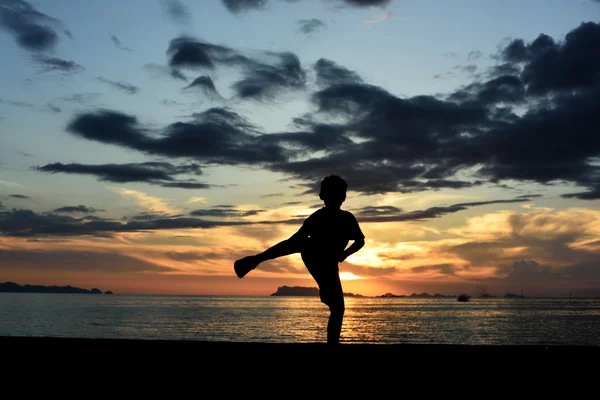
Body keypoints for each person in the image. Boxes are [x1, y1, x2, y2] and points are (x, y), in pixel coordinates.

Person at [234, 175, 365, 345]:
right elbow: (294, 240)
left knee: (336, 306)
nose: (338, 198)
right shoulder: (318, 217)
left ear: (344, 197)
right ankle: (253, 261)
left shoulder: (347, 218)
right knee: (337, 307)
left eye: (340, 194)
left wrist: (344, 255)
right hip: (316, 256)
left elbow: (360, 240)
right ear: (322, 196)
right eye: (333, 194)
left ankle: (253, 261)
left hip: (328, 261)